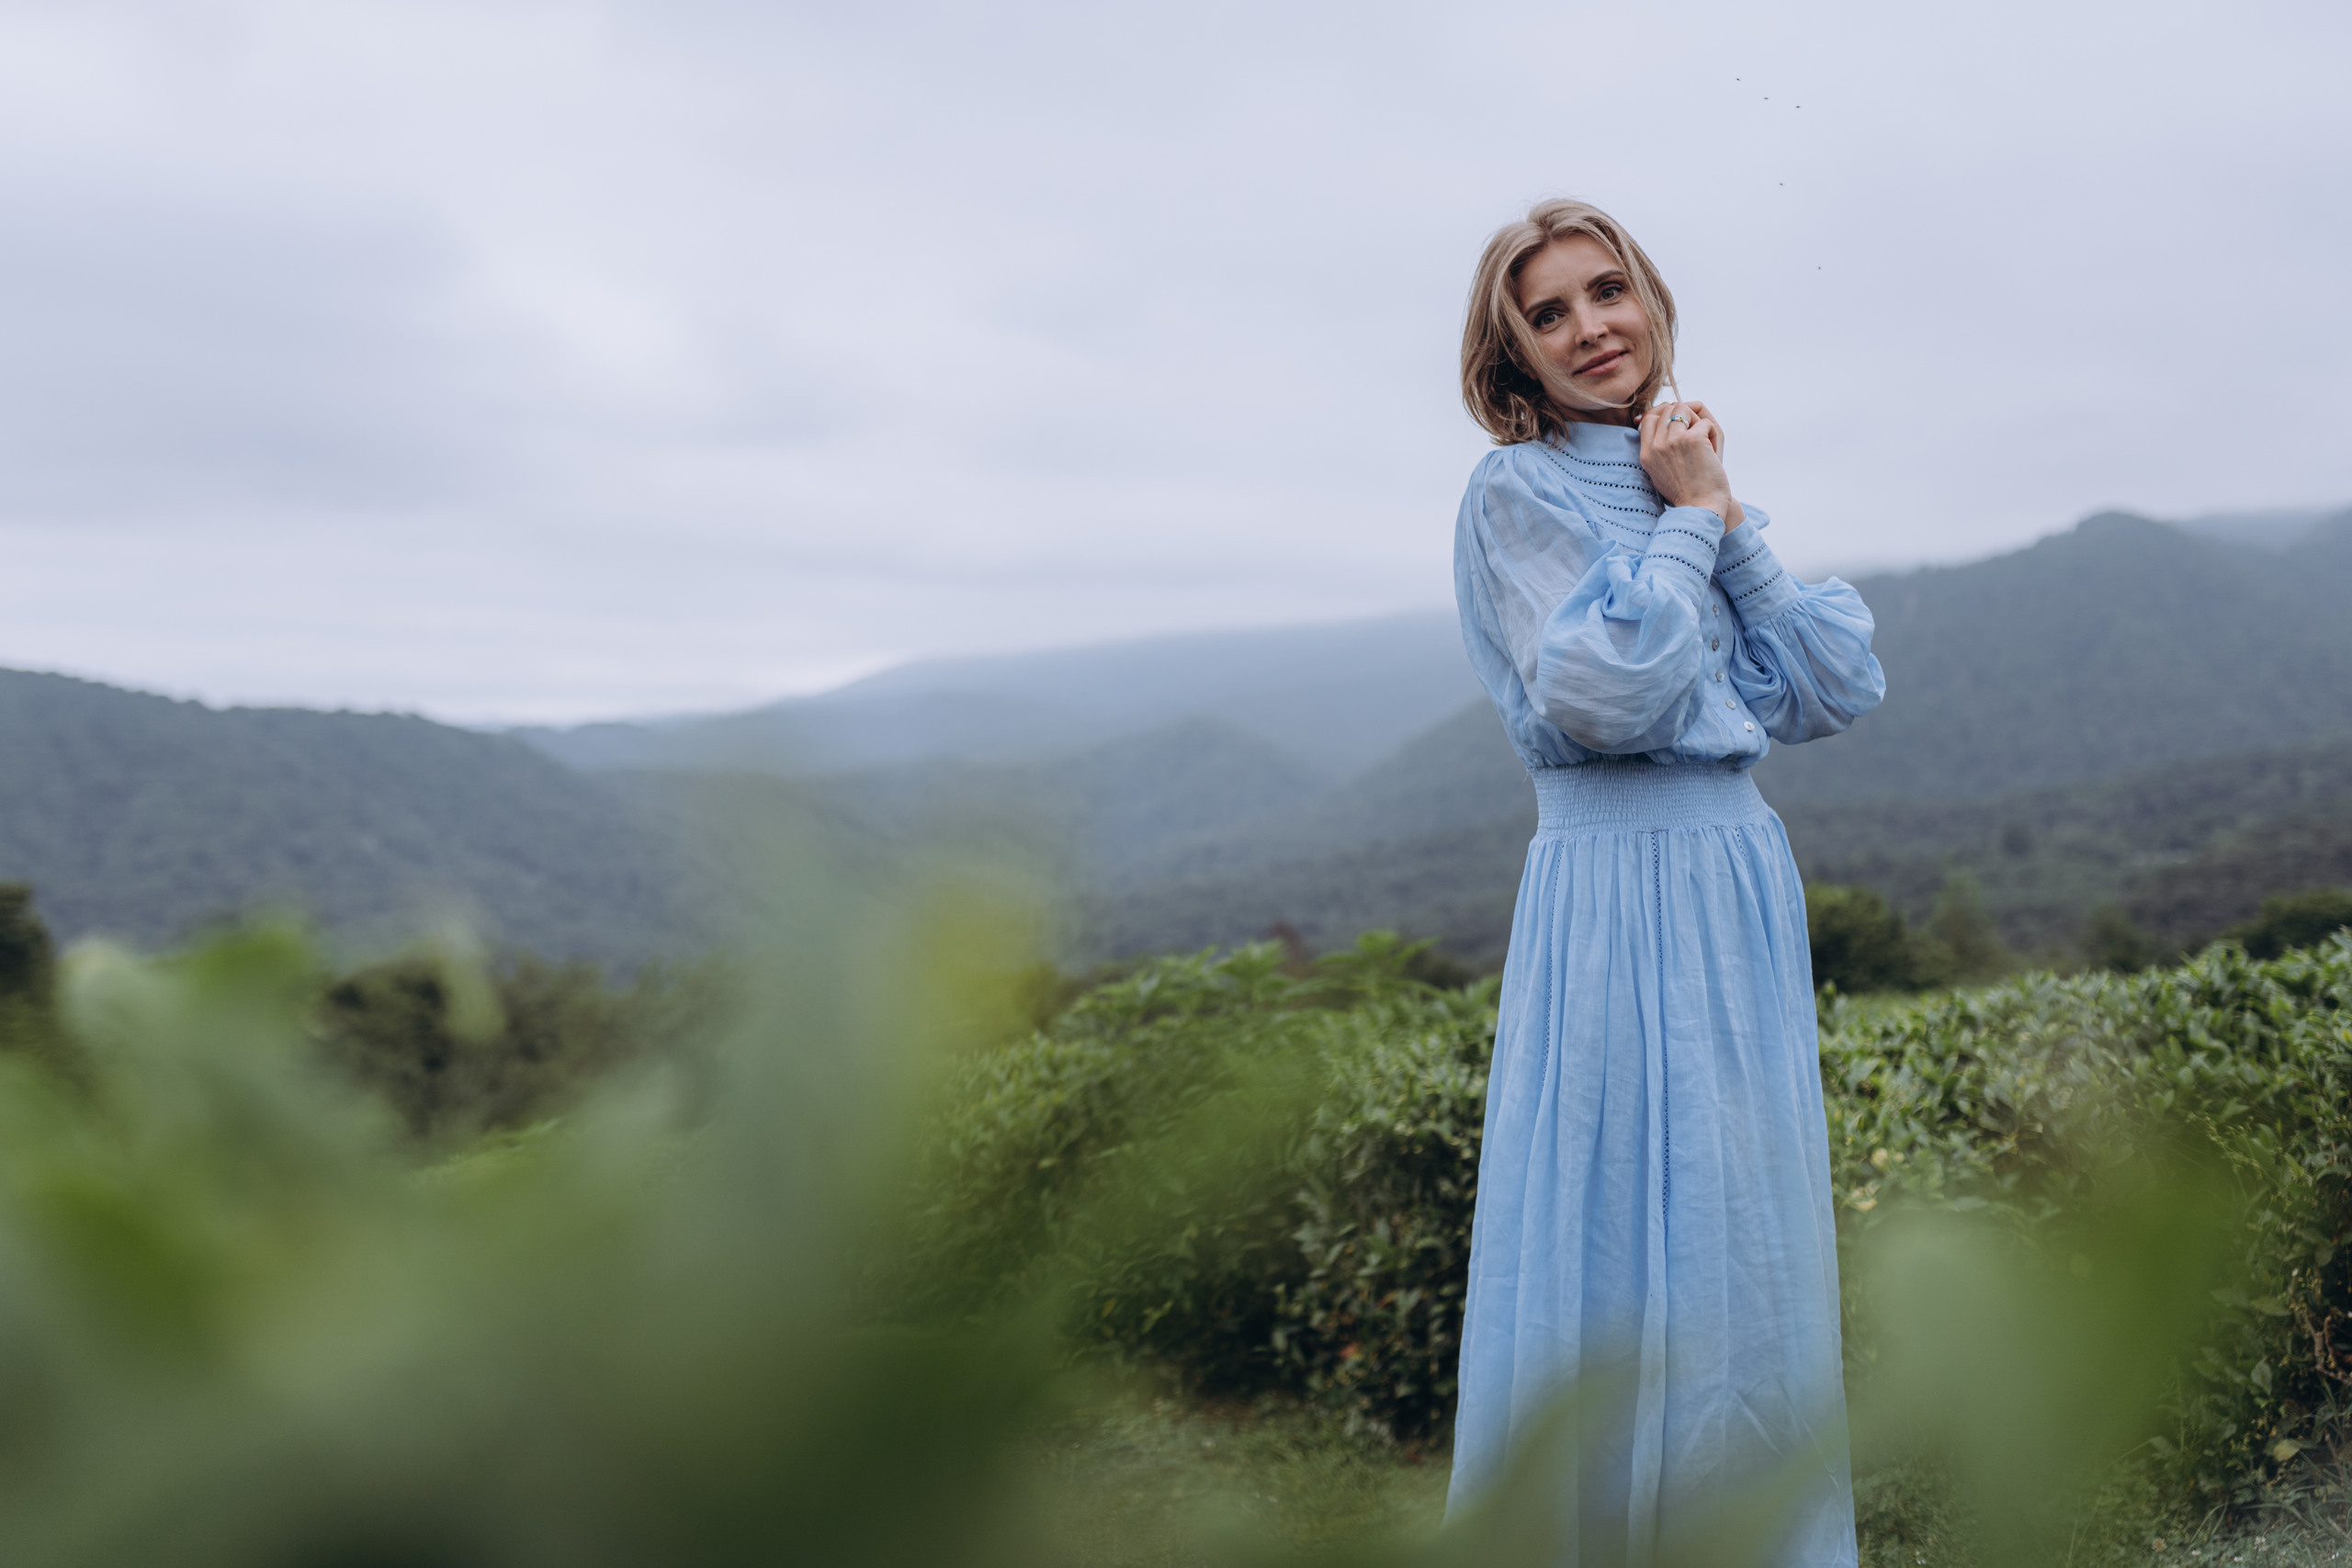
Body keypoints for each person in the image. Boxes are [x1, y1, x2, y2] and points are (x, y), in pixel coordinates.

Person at [1445, 198, 1884, 1565]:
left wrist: (1716, 510)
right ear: (1512, 354)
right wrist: (1691, 526)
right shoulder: (1514, 494)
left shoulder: (1682, 474)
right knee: (1606, 1221)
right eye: (1551, 312)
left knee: (1738, 1232)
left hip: (1733, 876)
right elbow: (1613, 693)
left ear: (1651, 301)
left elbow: (1834, 684)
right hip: (1609, 882)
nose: (1592, 328)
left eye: (1607, 290)